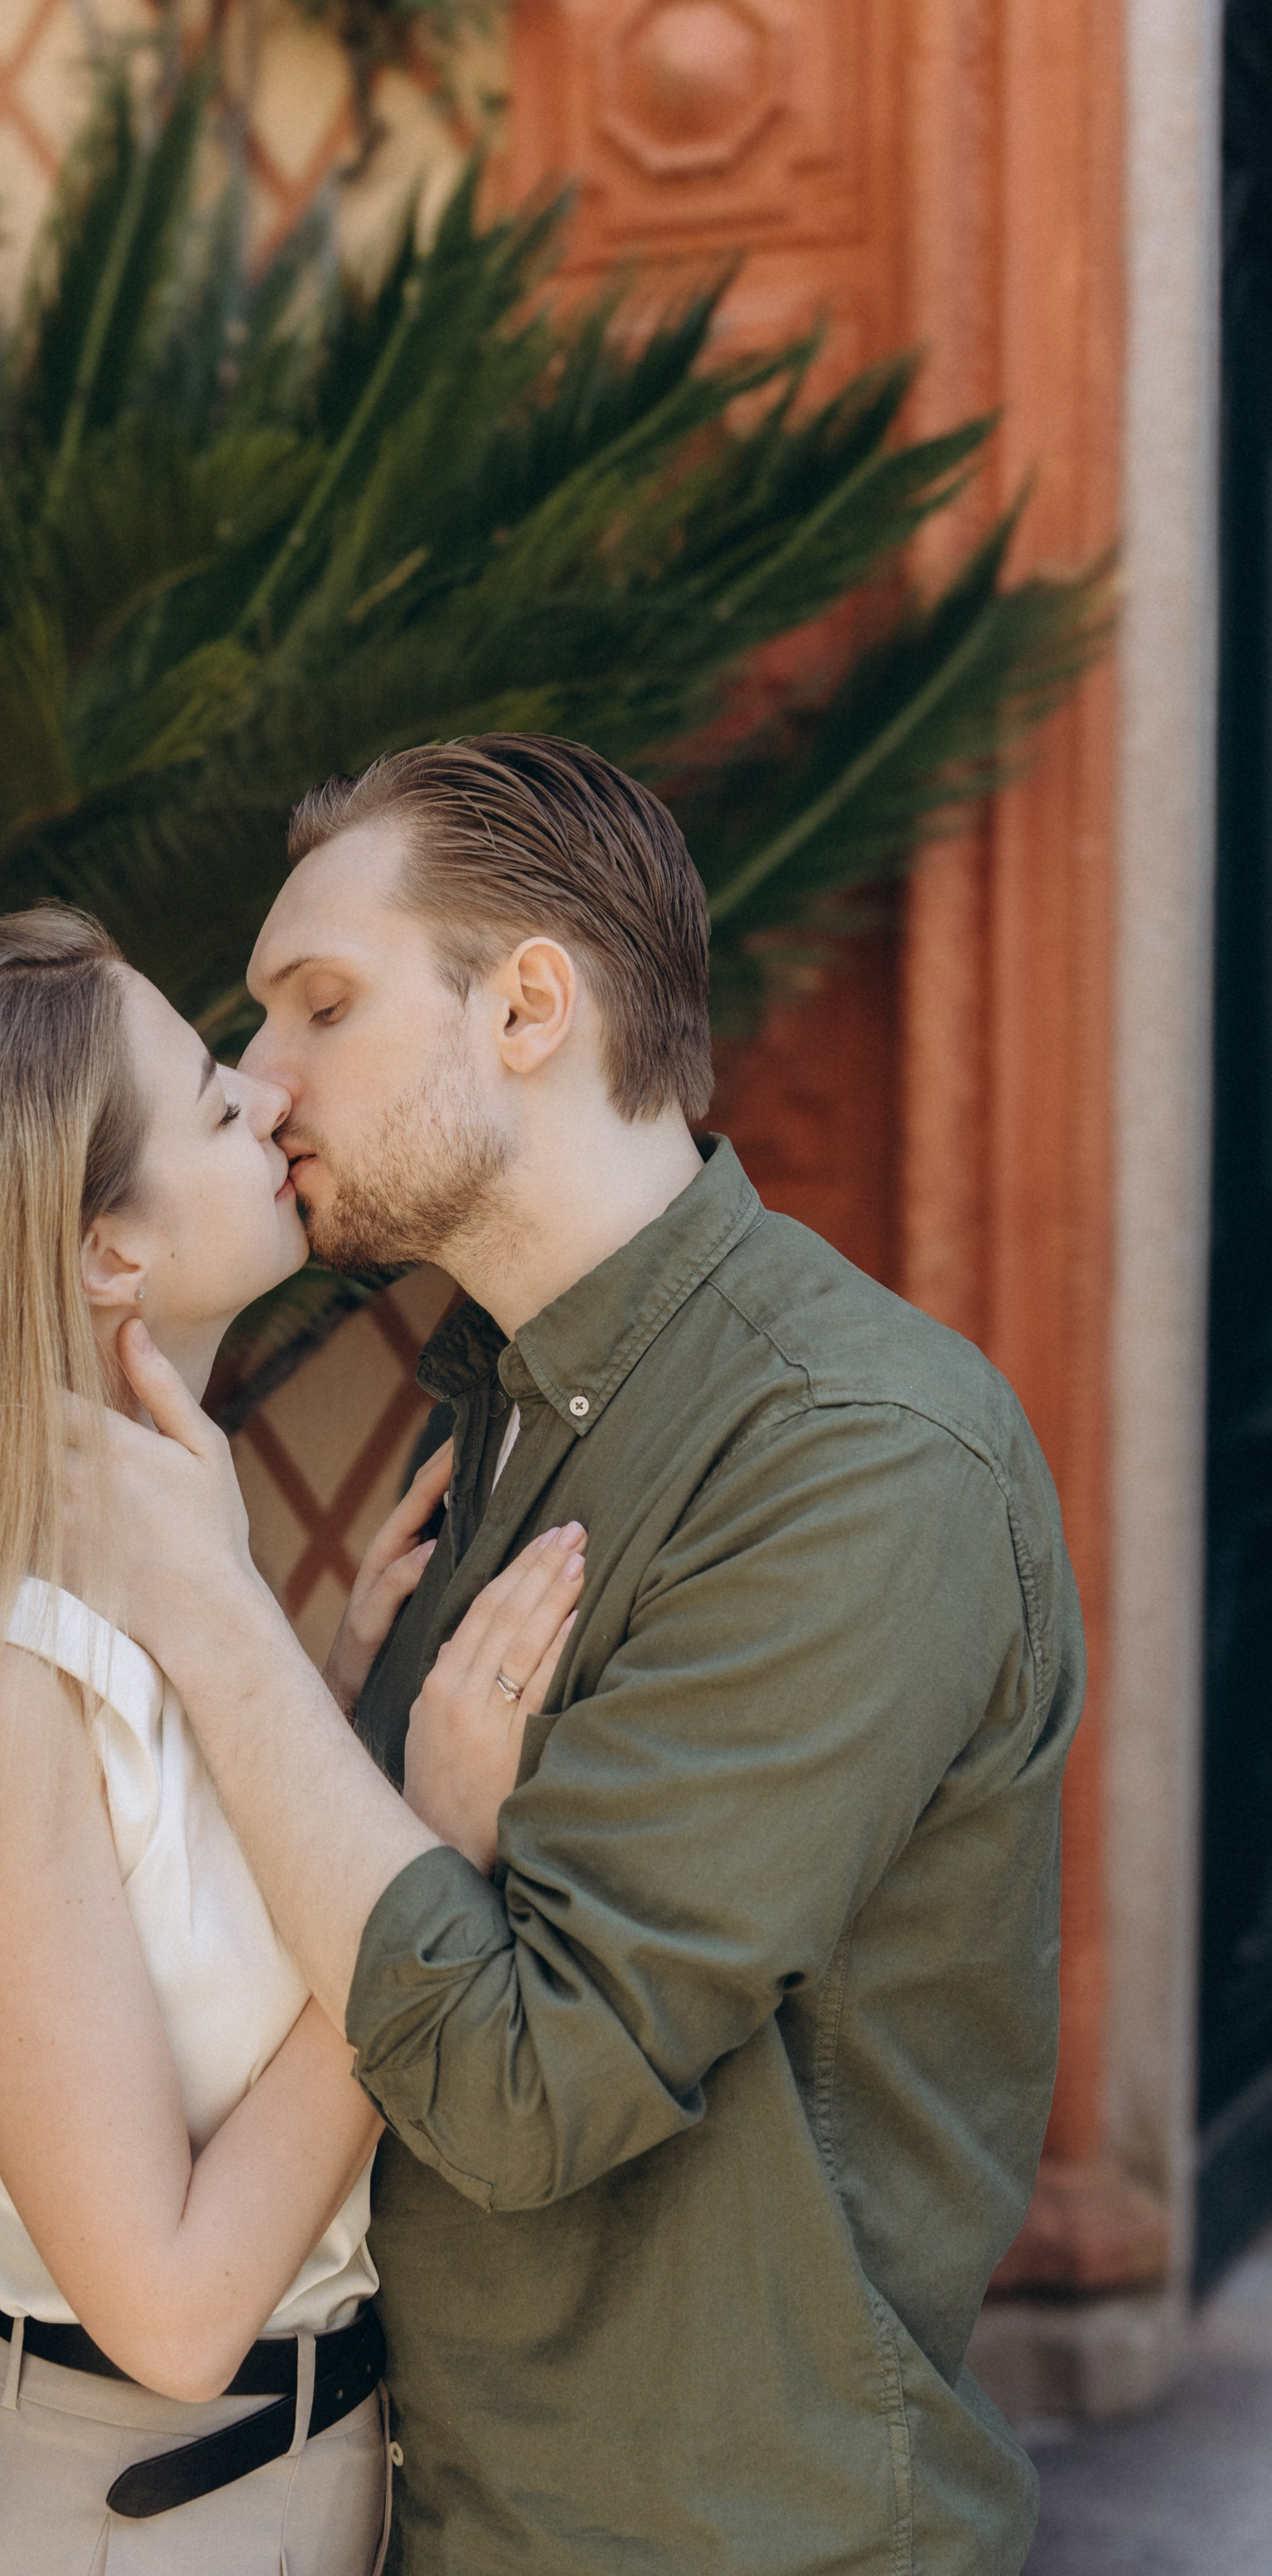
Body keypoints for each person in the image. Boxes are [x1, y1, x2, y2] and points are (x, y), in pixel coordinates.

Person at [61, 735, 1087, 2576]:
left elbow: (529, 2089)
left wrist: (217, 1615)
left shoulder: (855, 1456)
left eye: (320, 1004)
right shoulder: (496, 1406)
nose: (258, 1078)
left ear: (529, 1007)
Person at [0, 907, 580, 2575]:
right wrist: (431, 1857)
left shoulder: (168, 1588)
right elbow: (167, 2310)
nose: (269, 1095)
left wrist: (340, 1699)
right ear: (105, 1254)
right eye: (219, 1106)